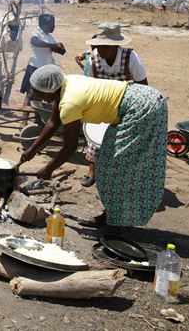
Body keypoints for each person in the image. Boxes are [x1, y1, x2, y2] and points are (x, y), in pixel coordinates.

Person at [19, 65, 167, 231]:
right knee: (108, 163)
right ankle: (113, 216)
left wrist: (48, 169)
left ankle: (116, 222)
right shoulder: (66, 82)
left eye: (39, 93)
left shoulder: (70, 102)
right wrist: (31, 150)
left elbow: (70, 147)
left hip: (141, 108)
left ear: (50, 89)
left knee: (112, 166)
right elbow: (53, 122)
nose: (38, 97)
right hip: (141, 98)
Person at [74, 22, 148, 187]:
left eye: (105, 46)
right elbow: (91, 85)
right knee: (95, 137)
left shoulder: (130, 57)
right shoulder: (93, 58)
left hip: (126, 104)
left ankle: (121, 174)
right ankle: (92, 171)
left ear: (116, 45)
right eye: (99, 46)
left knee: (123, 141)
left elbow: (143, 86)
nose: (101, 50)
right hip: (103, 103)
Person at [19, 14, 65, 121]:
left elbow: (61, 51)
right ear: (45, 25)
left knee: (42, 94)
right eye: (52, 25)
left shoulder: (50, 37)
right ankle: (24, 121)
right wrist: (52, 46)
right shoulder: (37, 33)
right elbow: (34, 41)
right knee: (30, 95)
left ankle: (38, 120)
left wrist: (59, 47)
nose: (54, 27)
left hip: (46, 70)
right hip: (35, 67)